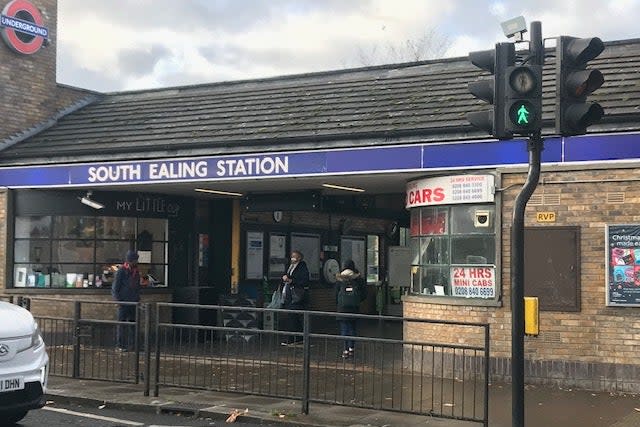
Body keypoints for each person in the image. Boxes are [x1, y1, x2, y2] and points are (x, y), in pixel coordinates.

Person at [335, 260, 366, 359]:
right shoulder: (358, 279)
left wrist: (340, 303)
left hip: (342, 309)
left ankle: (345, 350)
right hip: (354, 308)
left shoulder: (339, 279)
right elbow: (364, 294)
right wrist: (357, 301)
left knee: (344, 329)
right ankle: (351, 348)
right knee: (352, 328)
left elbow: (335, 294)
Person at [111, 250, 141, 351]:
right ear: (130, 261)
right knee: (122, 324)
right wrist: (118, 300)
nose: (137, 262)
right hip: (123, 302)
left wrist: (137, 298)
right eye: (135, 260)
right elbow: (115, 287)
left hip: (133, 301)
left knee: (134, 325)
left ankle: (134, 345)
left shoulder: (136, 271)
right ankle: (120, 345)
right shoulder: (121, 271)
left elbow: (137, 286)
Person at [280, 250, 310, 345]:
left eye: (294, 256)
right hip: (289, 296)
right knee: (291, 317)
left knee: (294, 316)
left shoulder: (302, 267)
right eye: (292, 256)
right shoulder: (290, 267)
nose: (292, 258)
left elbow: (303, 280)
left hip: (296, 296)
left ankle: (295, 338)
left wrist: (291, 280)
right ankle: (295, 337)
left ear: (299, 258)